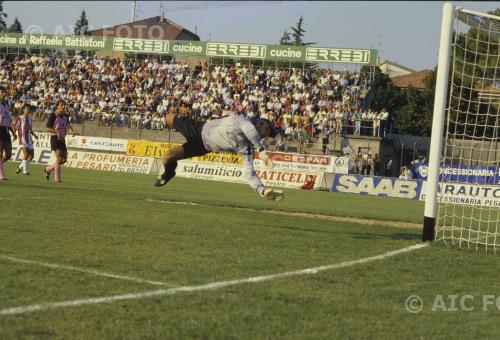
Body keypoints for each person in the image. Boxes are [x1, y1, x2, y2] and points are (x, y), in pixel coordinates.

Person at [155, 108, 284, 201]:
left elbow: (248, 173)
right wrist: (261, 149)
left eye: (268, 134)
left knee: (168, 156)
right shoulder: (243, 120)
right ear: (259, 123)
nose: (266, 134)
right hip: (199, 129)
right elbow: (249, 130)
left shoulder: (248, 148)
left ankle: (168, 174)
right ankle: (168, 172)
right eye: (267, 130)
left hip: (203, 147)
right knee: (169, 117)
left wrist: (261, 190)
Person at [44, 99, 74, 182]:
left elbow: (68, 124)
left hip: (62, 139)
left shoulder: (66, 116)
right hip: (55, 138)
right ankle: (57, 179)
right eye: (61, 105)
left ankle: (48, 169)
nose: (63, 107)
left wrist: (71, 130)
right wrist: (56, 131)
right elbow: (47, 128)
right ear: (57, 106)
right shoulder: (53, 115)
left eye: (64, 105)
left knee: (64, 160)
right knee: (59, 158)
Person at [13, 104, 38, 175]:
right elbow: (15, 127)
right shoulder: (20, 118)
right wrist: (14, 135)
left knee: (31, 156)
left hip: (29, 139)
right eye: (27, 108)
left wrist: (34, 134)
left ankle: (20, 167)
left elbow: (30, 128)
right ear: (23, 109)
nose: (28, 110)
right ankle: (25, 170)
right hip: (23, 139)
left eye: (29, 108)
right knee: (26, 154)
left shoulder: (30, 118)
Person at [0, 86, 16, 180]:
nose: (3, 94)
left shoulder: (6, 105)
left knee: (8, 154)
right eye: (1, 92)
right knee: (0, 153)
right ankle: (1, 175)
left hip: (6, 130)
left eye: (4, 92)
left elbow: (8, 121)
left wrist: (13, 133)